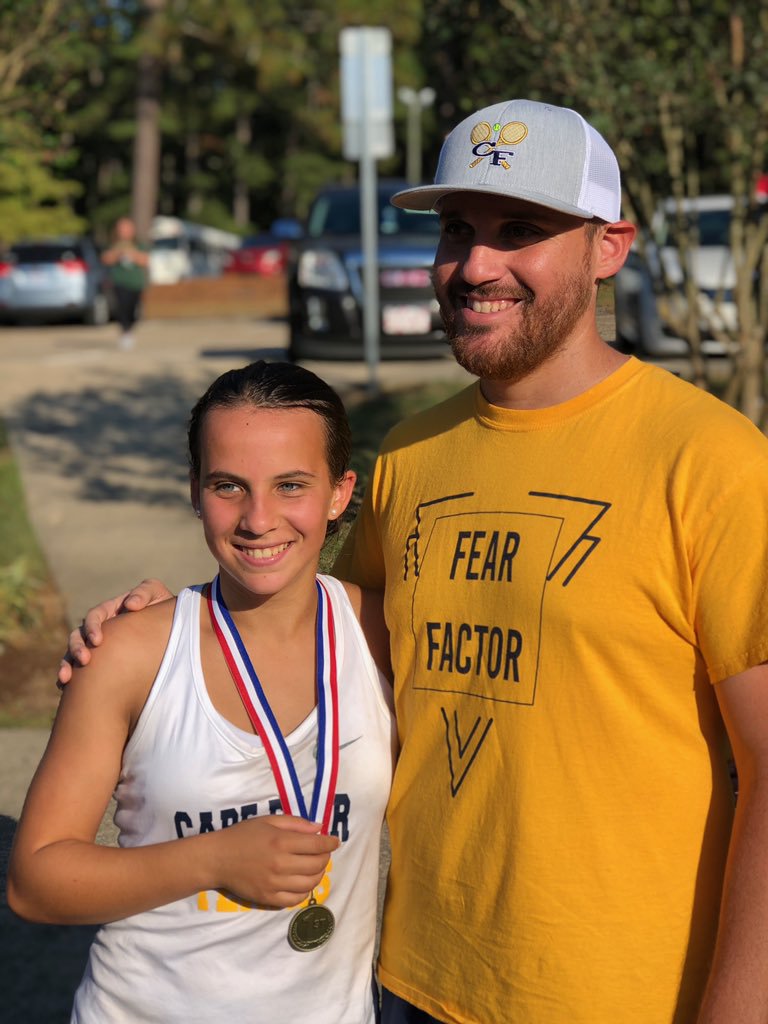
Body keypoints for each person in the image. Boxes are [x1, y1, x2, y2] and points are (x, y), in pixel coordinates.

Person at [59, 99, 768, 1024]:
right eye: (457, 230)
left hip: (623, 996)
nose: (476, 266)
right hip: (414, 983)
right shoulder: (410, 456)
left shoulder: (712, 460)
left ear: (610, 247)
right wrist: (165, 628)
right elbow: (330, 638)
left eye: (521, 231)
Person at [10, 360, 396, 1022]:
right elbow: (35, 881)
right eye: (228, 486)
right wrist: (214, 858)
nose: (258, 518)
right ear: (194, 491)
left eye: (291, 485)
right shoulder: (130, 653)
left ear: (340, 493)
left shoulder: (382, 635)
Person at [101, 216, 149, 350]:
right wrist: (118, 252)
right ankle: (125, 332)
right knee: (122, 308)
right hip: (120, 281)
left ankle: (129, 330)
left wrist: (132, 253)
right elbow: (105, 259)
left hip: (135, 282)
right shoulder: (114, 244)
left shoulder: (139, 245)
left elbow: (145, 260)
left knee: (134, 311)